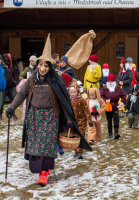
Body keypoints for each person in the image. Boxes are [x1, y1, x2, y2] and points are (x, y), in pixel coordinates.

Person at [5, 34, 92, 186]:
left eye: (46, 66)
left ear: (50, 67)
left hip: (50, 117)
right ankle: (39, 171)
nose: (43, 68)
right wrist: (11, 107)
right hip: (33, 116)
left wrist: (70, 120)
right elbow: (22, 94)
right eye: (41, 65)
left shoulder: (55, 79)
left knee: (46, 147)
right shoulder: (32, 78)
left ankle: (43, 174)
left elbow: (63, 101)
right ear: (37, 64)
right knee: (33, 146)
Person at [68, 83, 93, 159]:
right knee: (75, 137)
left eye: (74, 92)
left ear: (78, 91)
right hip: (73, 122)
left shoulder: (82, 100)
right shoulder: (69, 100)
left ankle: (80, 151)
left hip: (81, 121)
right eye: (71, 92)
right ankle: (76, 151)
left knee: (81, 136)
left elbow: (86, 111)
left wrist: (90, 121)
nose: (73, 94)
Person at [100, 74, 126, 139]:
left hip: (115, 106)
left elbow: (123, 95)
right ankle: (110, 133)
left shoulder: (117, 87)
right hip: (108, 106)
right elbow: (101, 96)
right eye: (109, 81)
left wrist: (122, 102)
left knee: (116, 119)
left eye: (112, 81)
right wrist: (105, 100)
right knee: (109, 120)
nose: (110, 83)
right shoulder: (104, 88)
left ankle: (116, 132)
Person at [0, 53, 18, 120]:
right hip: (3, 87)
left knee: (14, 101)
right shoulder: (1, 66)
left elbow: (13, 75)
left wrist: (14, 83)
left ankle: (13, 113)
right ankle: (0, 115)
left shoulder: (10, 65)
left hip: (11, 86)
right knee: (1, 102)